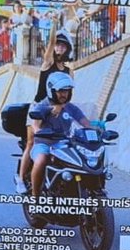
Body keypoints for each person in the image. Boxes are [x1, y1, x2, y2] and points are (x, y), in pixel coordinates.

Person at [17, 29, 75, 191]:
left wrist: (61, 107)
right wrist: (55, 25)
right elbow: (49, 44)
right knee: (32, 142)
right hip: (39, 107)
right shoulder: (48, 64)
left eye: (63, 46)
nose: (59, 49)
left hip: (58, 109)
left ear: (67, 49)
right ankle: (21, 179)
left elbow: (69, 93)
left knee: (61, 142)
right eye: (57, 45)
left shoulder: (69, 71)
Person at [25, 71, 91, 199]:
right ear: (51, 91)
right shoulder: (42, 106)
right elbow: (35, 126)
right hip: (44, 143)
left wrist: (97, 132)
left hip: (64, 144)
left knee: (81, 162)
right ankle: (35, 196)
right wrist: (40, 131)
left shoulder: (70, 108)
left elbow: (86, 123)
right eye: (60, 91)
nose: (64, 94)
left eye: (66, 91)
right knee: (41, 160)